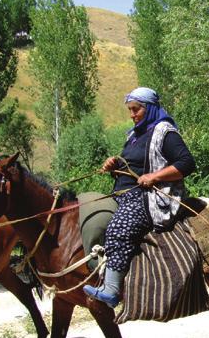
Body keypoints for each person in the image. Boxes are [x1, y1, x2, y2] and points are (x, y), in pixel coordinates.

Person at [84, 87, 196, 308]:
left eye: (136, 109)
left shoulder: (165, 131)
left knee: (118, 228)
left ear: (150, 108)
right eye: (130, 110)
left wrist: (155, 176)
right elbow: (132, 163)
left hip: (151, 196)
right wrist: (114, 164)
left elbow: (186, 163)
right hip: (124, 194)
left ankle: (112, 290)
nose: (132, 114)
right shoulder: (134, 134)